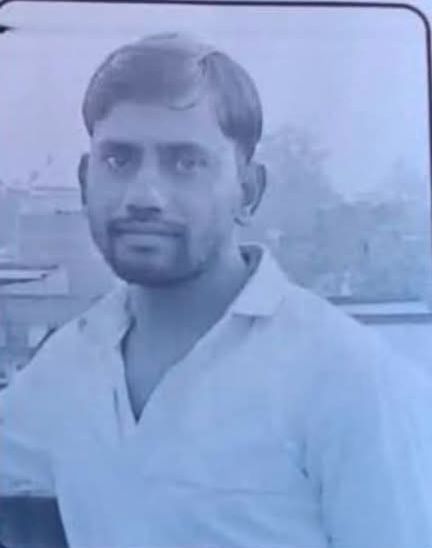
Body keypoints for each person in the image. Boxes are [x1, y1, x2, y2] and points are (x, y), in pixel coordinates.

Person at [1, 33, 432, 548]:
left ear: (248, 191)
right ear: (84, 179)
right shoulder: (66, 366)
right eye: (119, 160)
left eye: (185, 163)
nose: (144, 196)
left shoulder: (350, 379)